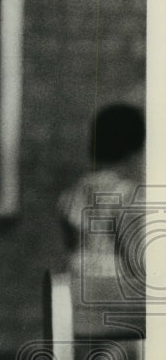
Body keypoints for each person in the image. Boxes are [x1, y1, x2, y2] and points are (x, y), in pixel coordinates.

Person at [57, 103, 145, 284]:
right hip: (115, 288)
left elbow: (72, 246)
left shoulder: (70, 195)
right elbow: (136, 260)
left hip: (78, 281)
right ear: (133, 150)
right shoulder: (127, 195)